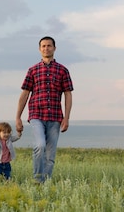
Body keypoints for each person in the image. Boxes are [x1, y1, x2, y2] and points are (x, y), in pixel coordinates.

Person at [15, 36, 73, 183]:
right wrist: (18, 117)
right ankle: (37, 179)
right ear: (39, 49)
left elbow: (67, 94)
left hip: (55, 116)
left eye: (49, 46)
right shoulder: (33, 70)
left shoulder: (62, 70)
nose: (46, 48)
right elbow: (25, 94)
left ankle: (45, 184)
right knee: (40, 146)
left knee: (50, 154)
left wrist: (66, 118)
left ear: (54, 48)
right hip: (36, 115)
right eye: (43, 46)